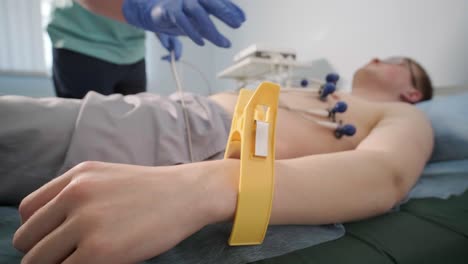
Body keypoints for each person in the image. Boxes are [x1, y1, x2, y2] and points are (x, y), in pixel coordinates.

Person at [2, 56, 434, 263]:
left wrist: (205, 186)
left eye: (397, 63)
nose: (378, 57)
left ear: (413, 92)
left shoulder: (405, 116)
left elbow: (384, 176)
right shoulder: (322, 89)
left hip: (187, 143)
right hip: (166, 112)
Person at [48, 0, 245, 98]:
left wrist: (160, 27)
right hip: (83, 45)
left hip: (132, 51)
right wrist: (139, 9)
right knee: (90, 142)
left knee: (135, 136)